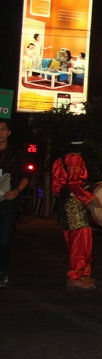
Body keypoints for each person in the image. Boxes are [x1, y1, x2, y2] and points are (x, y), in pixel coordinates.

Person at [52, 140, 102, 290]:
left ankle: (82, 274)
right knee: (81, 242)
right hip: (75, 204)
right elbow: (74, 183)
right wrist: (91, 198)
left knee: (74, 241)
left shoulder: (59, 160)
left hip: (65, 204)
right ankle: (76, 276)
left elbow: (58, 187)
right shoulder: (75, 159)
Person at [0, 120, 34, 288]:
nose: (0, 132)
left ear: (9, 133)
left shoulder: (16, 154)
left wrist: (16, 191)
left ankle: (2, 272)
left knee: (4, 238)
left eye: (3, 129)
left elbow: (26, 176)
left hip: (7, 202)